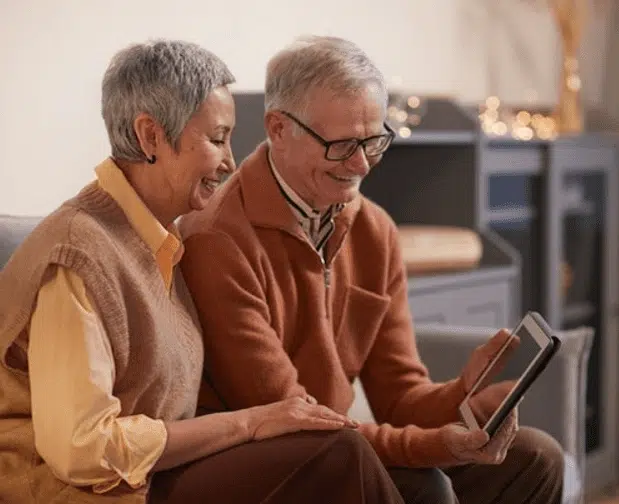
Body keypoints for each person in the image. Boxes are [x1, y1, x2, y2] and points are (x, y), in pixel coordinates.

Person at [0, 39, 407, 504]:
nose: (231, 162)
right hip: (73, 490)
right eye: (217, 140)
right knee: (338, 455)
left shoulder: (157, 241)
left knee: (380, 470)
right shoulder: (77, 254)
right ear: (151, 136)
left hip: (150, 476)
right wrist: (248, 424)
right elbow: (81, 450)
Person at [178, 35, 566, 504]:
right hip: (267, 457)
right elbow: (297, 421)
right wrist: (436, 445)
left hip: (339, 444)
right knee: (420, 482)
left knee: (536, 458)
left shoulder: (374, 230)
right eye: (342, 145)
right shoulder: (217, 239)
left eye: (374, 140)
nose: (362, 164)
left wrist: (468, 393)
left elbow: (400, 397)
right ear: (278, 129)